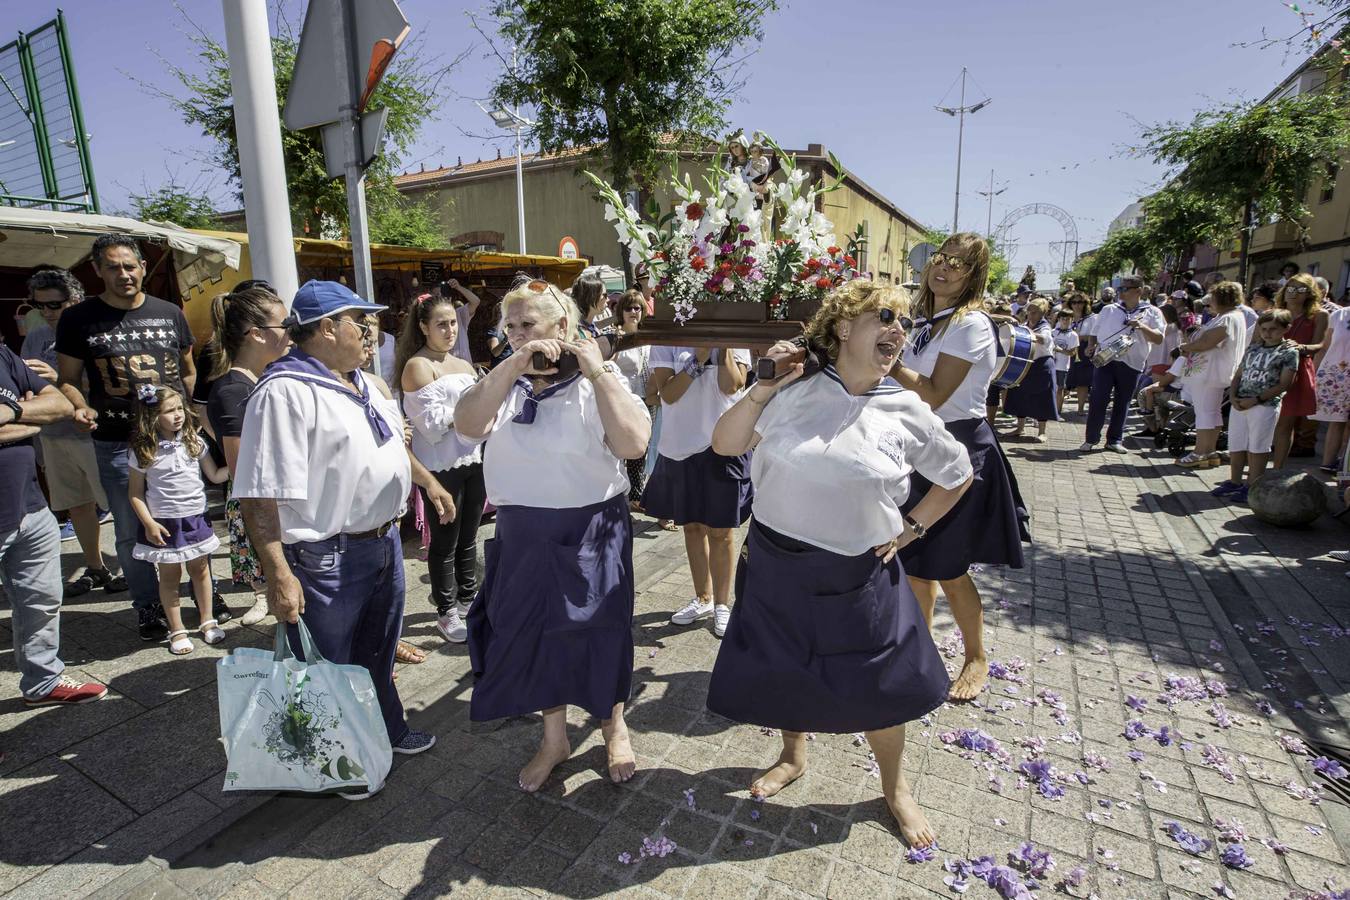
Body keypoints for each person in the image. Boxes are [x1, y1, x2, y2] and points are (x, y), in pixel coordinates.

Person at [707, 280, 973, 848]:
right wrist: (760, 390)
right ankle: (792, 755)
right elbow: (726, 446)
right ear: (844, 328)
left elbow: (957, 474)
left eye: (906, 321)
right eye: (885, 316)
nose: (899, 329)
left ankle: (895, 789)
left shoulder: (906, 409)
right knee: (787, 668)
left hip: (859, 576)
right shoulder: (792, 389)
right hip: (778, 564)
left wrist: (913, 527)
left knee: (879, 686)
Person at [234, 280, 454, 794]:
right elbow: (259, 496)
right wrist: (278, 574)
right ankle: (333, 765)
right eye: (361, 321)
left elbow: (388, 449)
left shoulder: (359, 381)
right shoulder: (285, 391)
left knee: (377, 651)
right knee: (327, 668)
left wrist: (425, 480)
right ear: (328, 328)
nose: (371, 330)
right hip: (325, 554)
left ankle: (385, 730)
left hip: (381, 544)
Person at [452, 279, 651, 792]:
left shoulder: (593, 383)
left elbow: (632, 444)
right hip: (523, 533)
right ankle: (554, 738)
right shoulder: (505, 381)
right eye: (510, 326)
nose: (517, 334)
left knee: (599, 632)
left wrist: (597, 369)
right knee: (535, 635)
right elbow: (468, 426)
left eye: (528, 325)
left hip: (590, 529)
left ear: (562, 327)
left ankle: (614, 727)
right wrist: (511, 365)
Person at [890, 232, 1030, 702]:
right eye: (942, 258)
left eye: (959, 264)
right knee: (914, 560)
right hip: (915, 447)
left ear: (975, 277)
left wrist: (885, 358)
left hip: (957, 450)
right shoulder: (927, 318)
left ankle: (976, 656)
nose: (944, 268)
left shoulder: (970, 324)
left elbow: (931, 394)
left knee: (947, 566)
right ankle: (920, 649)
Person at [54, 234, 200, 641]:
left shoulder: (170, 312)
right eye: (113, 267)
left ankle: (202, 600)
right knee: (130, 526)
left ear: (141, 267)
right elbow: (68, 379)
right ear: (98, 270)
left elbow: (187, 369)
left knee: (187, 515)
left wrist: (185, 414)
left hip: (176, 441)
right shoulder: (78, 318)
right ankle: (148, 604)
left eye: (130, 265)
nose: (124, 274)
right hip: (119, 441)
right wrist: (79, 406)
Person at [0, 343, 108, 706]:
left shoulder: (2, 355)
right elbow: (45, 413)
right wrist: (30, 418)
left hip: (29, 508)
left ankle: (43, 681)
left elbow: (61, 405)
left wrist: (10, 411)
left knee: (41, 602)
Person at [20, 268, 120, 597]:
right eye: (40, 306)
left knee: (117, 503)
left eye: (55, 305)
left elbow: (114, 382)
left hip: (95, 433)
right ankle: (96, 566)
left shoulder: (94, 327)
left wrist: (58, 377)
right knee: (77, 504)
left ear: (74, 299)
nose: (47, 312)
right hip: (53, 435)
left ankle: (130, 566)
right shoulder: (35, 336)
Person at [644, 342, 753, 638]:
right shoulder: (666, 339)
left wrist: (723, 346)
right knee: (692, 527)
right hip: (681, 446)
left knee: (721, 531)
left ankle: (721, 604)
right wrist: (699, 357)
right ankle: (702, 598)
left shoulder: (734, 339)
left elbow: (733, 386)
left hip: (722, 443)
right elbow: (667, 393)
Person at [398, 292, 485, 644]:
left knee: (469, 537)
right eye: (441, 324)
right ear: (423, 327)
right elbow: (432, 426)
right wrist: (471, 411)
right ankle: (445, 610)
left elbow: (482, 413)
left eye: (453, 323)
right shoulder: (417, 366)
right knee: (444, 540)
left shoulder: (463, 364)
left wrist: (476, 413)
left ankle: (468, 599)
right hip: (439, 467)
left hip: (474, 458)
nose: (450, 330)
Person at [203, 287, 291, 627]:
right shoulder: (232, 391)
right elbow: (248, 478)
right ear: (256, 334)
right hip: (273, 515)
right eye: (284, 325)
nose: (291, 332)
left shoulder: (265, 378)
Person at [127, 385, 228, 654]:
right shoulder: (143, 451)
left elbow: (216, 476)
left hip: (195, 518)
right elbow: (135, 493)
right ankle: (177, 629)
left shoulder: (195, 442)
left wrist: (239, 463)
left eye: (179, 409)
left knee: (201, 570)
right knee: (169, 577)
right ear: (152, 416)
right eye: (169, 411)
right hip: (165, 523)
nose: (178, 415)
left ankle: (208, 621)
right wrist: (148, 523)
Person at [1212, 310, 1299, 503]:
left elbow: (1285, 383)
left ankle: (1253, 484)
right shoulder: (1253, 348)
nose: (1267, 333)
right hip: (1240, 402)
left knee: (1258, 446)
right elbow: (1238, 375)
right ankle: (1235, 481)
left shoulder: (1288, 352)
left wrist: (1257, 399)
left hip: (1264, 404)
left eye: (1273, 329)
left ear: (1286, 329)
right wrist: (1233, 396)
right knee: (1236, 443)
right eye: (1264, 329)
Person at [1078, 275, 1165, 454]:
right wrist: (1091, 346)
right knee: (1098, 399)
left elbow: (1158, 338)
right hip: (1106, 360)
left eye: (1125, 289)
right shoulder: (1109, 309)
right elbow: (1095, 332)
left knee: (1122, 401)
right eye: (1120, 288)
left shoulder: (1152, 311)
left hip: (1132, 362)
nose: (1120, 292)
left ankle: (1115, 440)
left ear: (1138, 291)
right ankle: (1091, 438)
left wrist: (1141, 325)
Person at [1173, 282, 1248, 468]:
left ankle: (1200, 452)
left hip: (1209, 373)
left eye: (1212, 298)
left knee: (1204, 413)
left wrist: (1185, 347)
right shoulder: (1231, 317)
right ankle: (1210, 451)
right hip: (1212, 373)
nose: (1209, 302)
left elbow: (1207, 342)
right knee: (1212, 413)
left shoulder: (1228, 318)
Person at [1272, 274, 1329, 467]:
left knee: (1285, 424)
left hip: (1297, 370)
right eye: (1290, 288)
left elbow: (1319, 344)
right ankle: (1255, 465)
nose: (1293, 293)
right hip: (1270, 369)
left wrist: (1300, 347)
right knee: (1265, 420)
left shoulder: (1319, 315)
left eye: (1300, 289)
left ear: (1310, 293)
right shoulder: (1275, 313)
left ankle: (1277, 469)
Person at [611, 290, 654, 510]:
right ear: (621, 311)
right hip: (623, 399)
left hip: (646, 396)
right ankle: (624, 494)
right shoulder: (616, 336)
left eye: (637, 307)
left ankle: (635, 495)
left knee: (642, 449)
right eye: (629, 308)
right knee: (621, 448)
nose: (633, 312)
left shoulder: (647, 335)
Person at [1003, 298, 1058, 442]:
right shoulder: (1026, 324)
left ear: (1042, 313)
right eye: (1029, 312)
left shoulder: (1044, 326)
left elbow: (1044, 339)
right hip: (1025, 364)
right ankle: (1020, 428)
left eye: (1035, 312)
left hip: (1042, 365)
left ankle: (1042, 432)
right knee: (1019, 395)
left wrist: (1027, 332)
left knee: (1042, 397)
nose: (1031, 315)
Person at [1311, 295, 1350, 475]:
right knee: (1337, 421)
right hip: (1337, 375)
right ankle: (1328, 462)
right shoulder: (1339, 315)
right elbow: (1325, 346)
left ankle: (1344, 463)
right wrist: (1315, 371)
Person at [440, 279, 482, 365]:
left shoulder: (459, 314)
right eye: (438, 296)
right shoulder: (432, 321)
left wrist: (458, 287)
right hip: (446, 371)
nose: (442, 299)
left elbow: (476, 301)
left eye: (444, 296)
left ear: (449, 298)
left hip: (465, 369)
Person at [1064, 293, 1094, 413]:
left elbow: (1095, 334)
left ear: (1085, 304)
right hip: (1067, 349)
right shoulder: (1065, 316)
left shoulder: (1092, 318)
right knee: (1065, 379)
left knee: (1083, 381)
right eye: (1074, 303)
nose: (1077, 305)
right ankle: (1058, 408)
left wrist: (1082, 337)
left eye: (1080, 302)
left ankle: (1080, 408)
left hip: (1084, 349)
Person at [1050, 308, 1080, 417]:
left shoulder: (1073, 335)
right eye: (1063, 318)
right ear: (1059, 319)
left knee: (1060, 388)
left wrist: (1058, 349)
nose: (1065, 321)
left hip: (1062, 366)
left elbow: (1072, 353)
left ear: (1072, 320)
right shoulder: (1053, 332)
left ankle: (1057, 412)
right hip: (1051, 364)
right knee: (1048, 388)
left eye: (1068, 319)